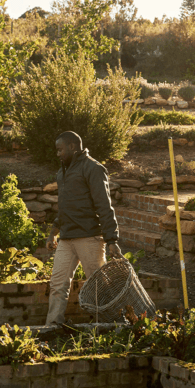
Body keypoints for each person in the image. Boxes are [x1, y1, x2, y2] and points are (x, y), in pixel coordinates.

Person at [45, 131, 124, 326]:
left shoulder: (93, 169)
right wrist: (54, 231)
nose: (58, 154)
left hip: (89, 238)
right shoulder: (63, 171)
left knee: (99, 286)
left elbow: (104, 206)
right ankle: (53, 326)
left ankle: (110, 325)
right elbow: (65, 206)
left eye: (60, 149)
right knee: (57, 285)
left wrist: (112, 239)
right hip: (67, 238)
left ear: (73, 147)